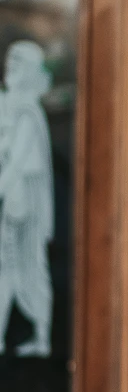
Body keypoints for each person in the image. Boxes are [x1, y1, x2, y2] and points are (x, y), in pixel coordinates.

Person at [0, 40, 54, 357]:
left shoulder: (27, 113)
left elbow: (18, 163)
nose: (10, 69)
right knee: (6, 267)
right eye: (9, 63)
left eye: (18, 65)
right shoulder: (10, 106)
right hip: (11, 199)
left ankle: (41, 336)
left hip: (25, 201)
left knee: (31, 266)